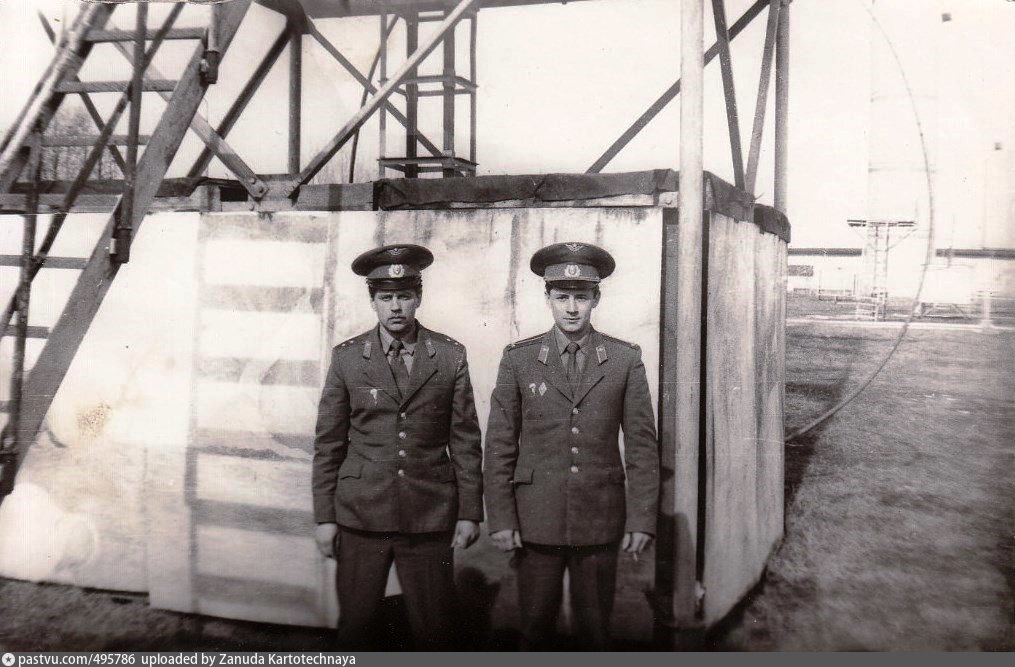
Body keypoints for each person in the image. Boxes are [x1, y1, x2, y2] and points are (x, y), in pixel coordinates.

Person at [483, 241, 660, 650]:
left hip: (599, 520)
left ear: (597, 298)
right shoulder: (519, 359)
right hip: (535, 520)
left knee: (595, 633)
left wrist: (641, 520)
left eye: (581, 297)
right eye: (562, 297)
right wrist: (502, 518)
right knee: (534, 631)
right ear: (547, 297)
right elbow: (500, 445)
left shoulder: (624, 359)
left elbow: (641, 446)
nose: (572, 308)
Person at [312, 243, 483, 650]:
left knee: (435, 630)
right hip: (360, 514)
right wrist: (325, 518)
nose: (395, 307)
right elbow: (329, 444)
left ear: (418, 298)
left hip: (429, 515)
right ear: (372, 301)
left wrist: (469, 513)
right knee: (356, 627)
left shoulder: (449, 355)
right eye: (386, 297)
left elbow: (465, 440)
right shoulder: (347, 358)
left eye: (404, 296)